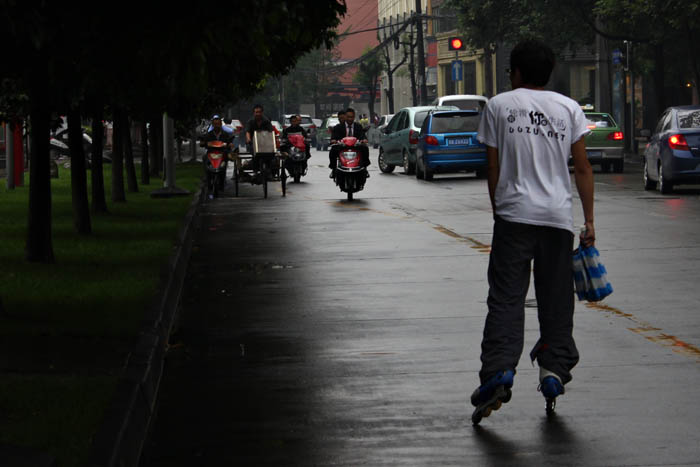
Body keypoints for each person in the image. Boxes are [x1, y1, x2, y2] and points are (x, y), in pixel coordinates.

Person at [469, 40, 595, 423]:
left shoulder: (499, 106)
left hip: (513, 217)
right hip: (557, 218)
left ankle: (499, 371)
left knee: (506, 298)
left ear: (517, 72)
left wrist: (499, 209)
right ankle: (554, 370)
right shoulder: (569, 108)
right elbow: (583, 168)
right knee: (557, 297)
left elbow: (493, 168)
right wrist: (589, 223)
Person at [328, 108, 370, 176]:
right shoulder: (338, 127)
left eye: (352, 117)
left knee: (365, 149)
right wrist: (334, 141)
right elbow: (333, 137)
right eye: (348, 117)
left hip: (355, 146)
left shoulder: (358, 126)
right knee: (333, 150)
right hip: (342, 147)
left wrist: (364, 140)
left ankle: (365, 169)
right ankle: (333, 169)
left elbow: (362, 135)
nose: (350, 119)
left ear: (354, 117)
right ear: (345, 117)